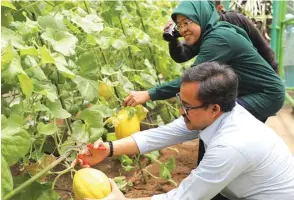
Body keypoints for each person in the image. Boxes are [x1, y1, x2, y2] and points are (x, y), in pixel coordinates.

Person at [75, 62, 294, 200]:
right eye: (181, 101)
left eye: (186, 106)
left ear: (214, 109)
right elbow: (160, 135)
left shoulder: (231, 145)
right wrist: (108, 149)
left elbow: (185, 196)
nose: (181, 110)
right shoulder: (219, 115)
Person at [122, 0, 284, 123]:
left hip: (265, 94)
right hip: (247, 91)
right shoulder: (208, 34)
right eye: (179, 25)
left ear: (202, 15)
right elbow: (182, 56)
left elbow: (191, 80)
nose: (183, 28)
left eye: (187, 22)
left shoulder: (219, 38)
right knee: (215, 122)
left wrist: (149, 94)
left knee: (218, 122)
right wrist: (173, 39)